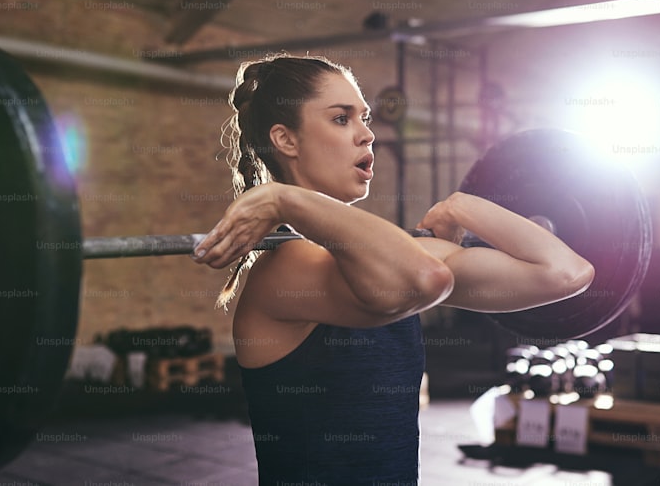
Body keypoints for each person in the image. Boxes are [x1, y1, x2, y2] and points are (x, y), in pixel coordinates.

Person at [191, 53, 594, 484]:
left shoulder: (394, 255)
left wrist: (461, 206)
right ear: (286, 141)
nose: (367, 135)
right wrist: (285, 199)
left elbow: (566, 272)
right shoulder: (288, 270)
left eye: (364, 118)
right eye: (341, 119)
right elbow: (426, 280)